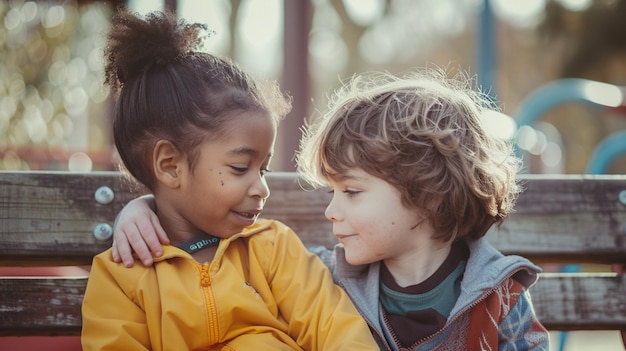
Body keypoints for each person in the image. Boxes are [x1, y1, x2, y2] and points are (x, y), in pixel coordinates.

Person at [112, 68, 551, 350]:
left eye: (351, 192)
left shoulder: (499, 297)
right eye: (331, 193)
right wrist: (146, 205)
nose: (331, 212)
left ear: (425, 194)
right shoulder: (329, 277)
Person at [81, 9, 378, 351]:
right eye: (240, 168)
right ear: (170, 166)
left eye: (263, 169)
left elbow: (334, 327)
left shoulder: (272, 248)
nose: (261, 188)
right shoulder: (121, 277)